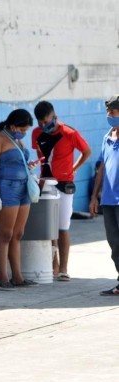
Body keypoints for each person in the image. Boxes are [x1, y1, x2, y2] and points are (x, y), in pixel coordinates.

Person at [32, 101, 91, 281]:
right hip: (45, 183)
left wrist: (74, 167)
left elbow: (86, 151)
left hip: (64, 184)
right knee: (49, 228)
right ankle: (53, 266)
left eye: (46, 121)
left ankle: (64, 268)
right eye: (40, 122)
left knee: (63, 227)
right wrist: (44, 166)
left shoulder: (69, 133)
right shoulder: (36, 133)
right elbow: (38, 151)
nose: (43, 126)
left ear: (54, 116)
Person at [0, 109, 38, 291]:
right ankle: (4, 277)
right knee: (5, 234)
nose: (24, 133)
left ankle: (18, 277)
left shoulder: (17, 140)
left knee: (18, 233)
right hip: (6, 189)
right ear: (13, 125)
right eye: (22, 129)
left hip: (23, 189)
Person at [89, 94, 119, 295]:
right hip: (108, 200)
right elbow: (101, 168)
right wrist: (94, 196)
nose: (109, 115)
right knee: (115, 244)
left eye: (113, 112)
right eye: (108, 111)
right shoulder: (107, 137)